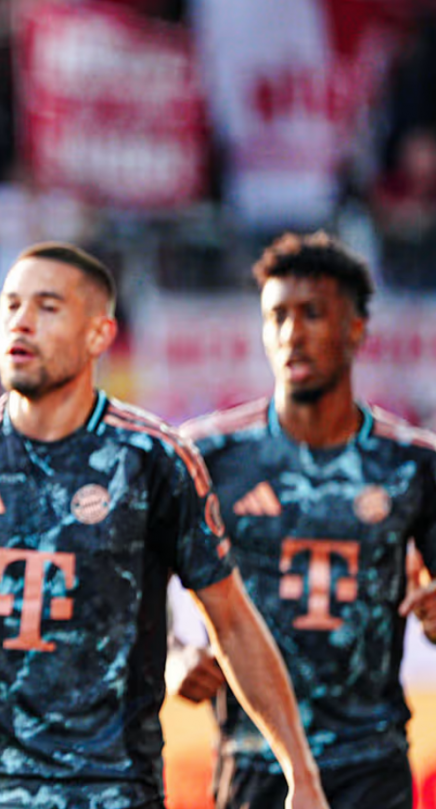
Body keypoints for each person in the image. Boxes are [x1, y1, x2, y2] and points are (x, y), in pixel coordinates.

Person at [0, 242, 329, 809]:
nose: (21, 321)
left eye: (47, 307)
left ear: (100, 334)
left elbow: (234, 621)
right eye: (10, 305)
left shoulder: (154, 458)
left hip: (113, 791)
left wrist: (302, 774)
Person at [172, 232, 436, 809]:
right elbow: (130, 580)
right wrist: (174, 653)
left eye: (312, 313)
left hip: (371, 764)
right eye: (277, 316)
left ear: (356, 328)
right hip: (252, 762)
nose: (292, 332)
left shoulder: (412, 463)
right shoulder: (207, 456)